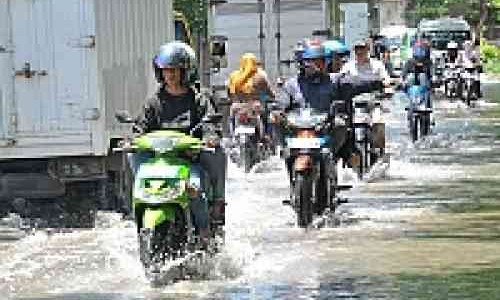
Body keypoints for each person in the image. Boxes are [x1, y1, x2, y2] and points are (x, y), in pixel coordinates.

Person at [132, 41, 225, 243]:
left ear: (186, 71)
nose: (169, 75)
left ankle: (204, 230)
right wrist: (132, 139)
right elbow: (140, 127)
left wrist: (210, 138)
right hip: (159, 162)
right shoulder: (153, 102)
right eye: (165, 70)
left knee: (195, 190)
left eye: (174, 70)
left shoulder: (198, 99)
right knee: (135, 159)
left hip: (189, 160)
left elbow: (210, 123)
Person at [227, 53, 275, 141]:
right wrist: (272, 97)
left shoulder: (233, 76)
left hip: (238, 107)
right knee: (268, 118)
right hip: (255, 107)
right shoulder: (259, 76)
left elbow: (230, 93)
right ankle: (266, 137)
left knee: (231, 118)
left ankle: (232, 137)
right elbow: (270, 93)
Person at [401, 41, 433, 108]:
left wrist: (434, 79)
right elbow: (404, 73)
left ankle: (426, 103)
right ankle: (412, 101)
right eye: (418, 50)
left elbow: (432, 73)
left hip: (424, 86)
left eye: (422, 50)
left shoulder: (428, 62)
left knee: (423, 77)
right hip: (412, 86)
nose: (420, 52)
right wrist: (403, 81)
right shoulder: (410, 62)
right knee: (410, 78)